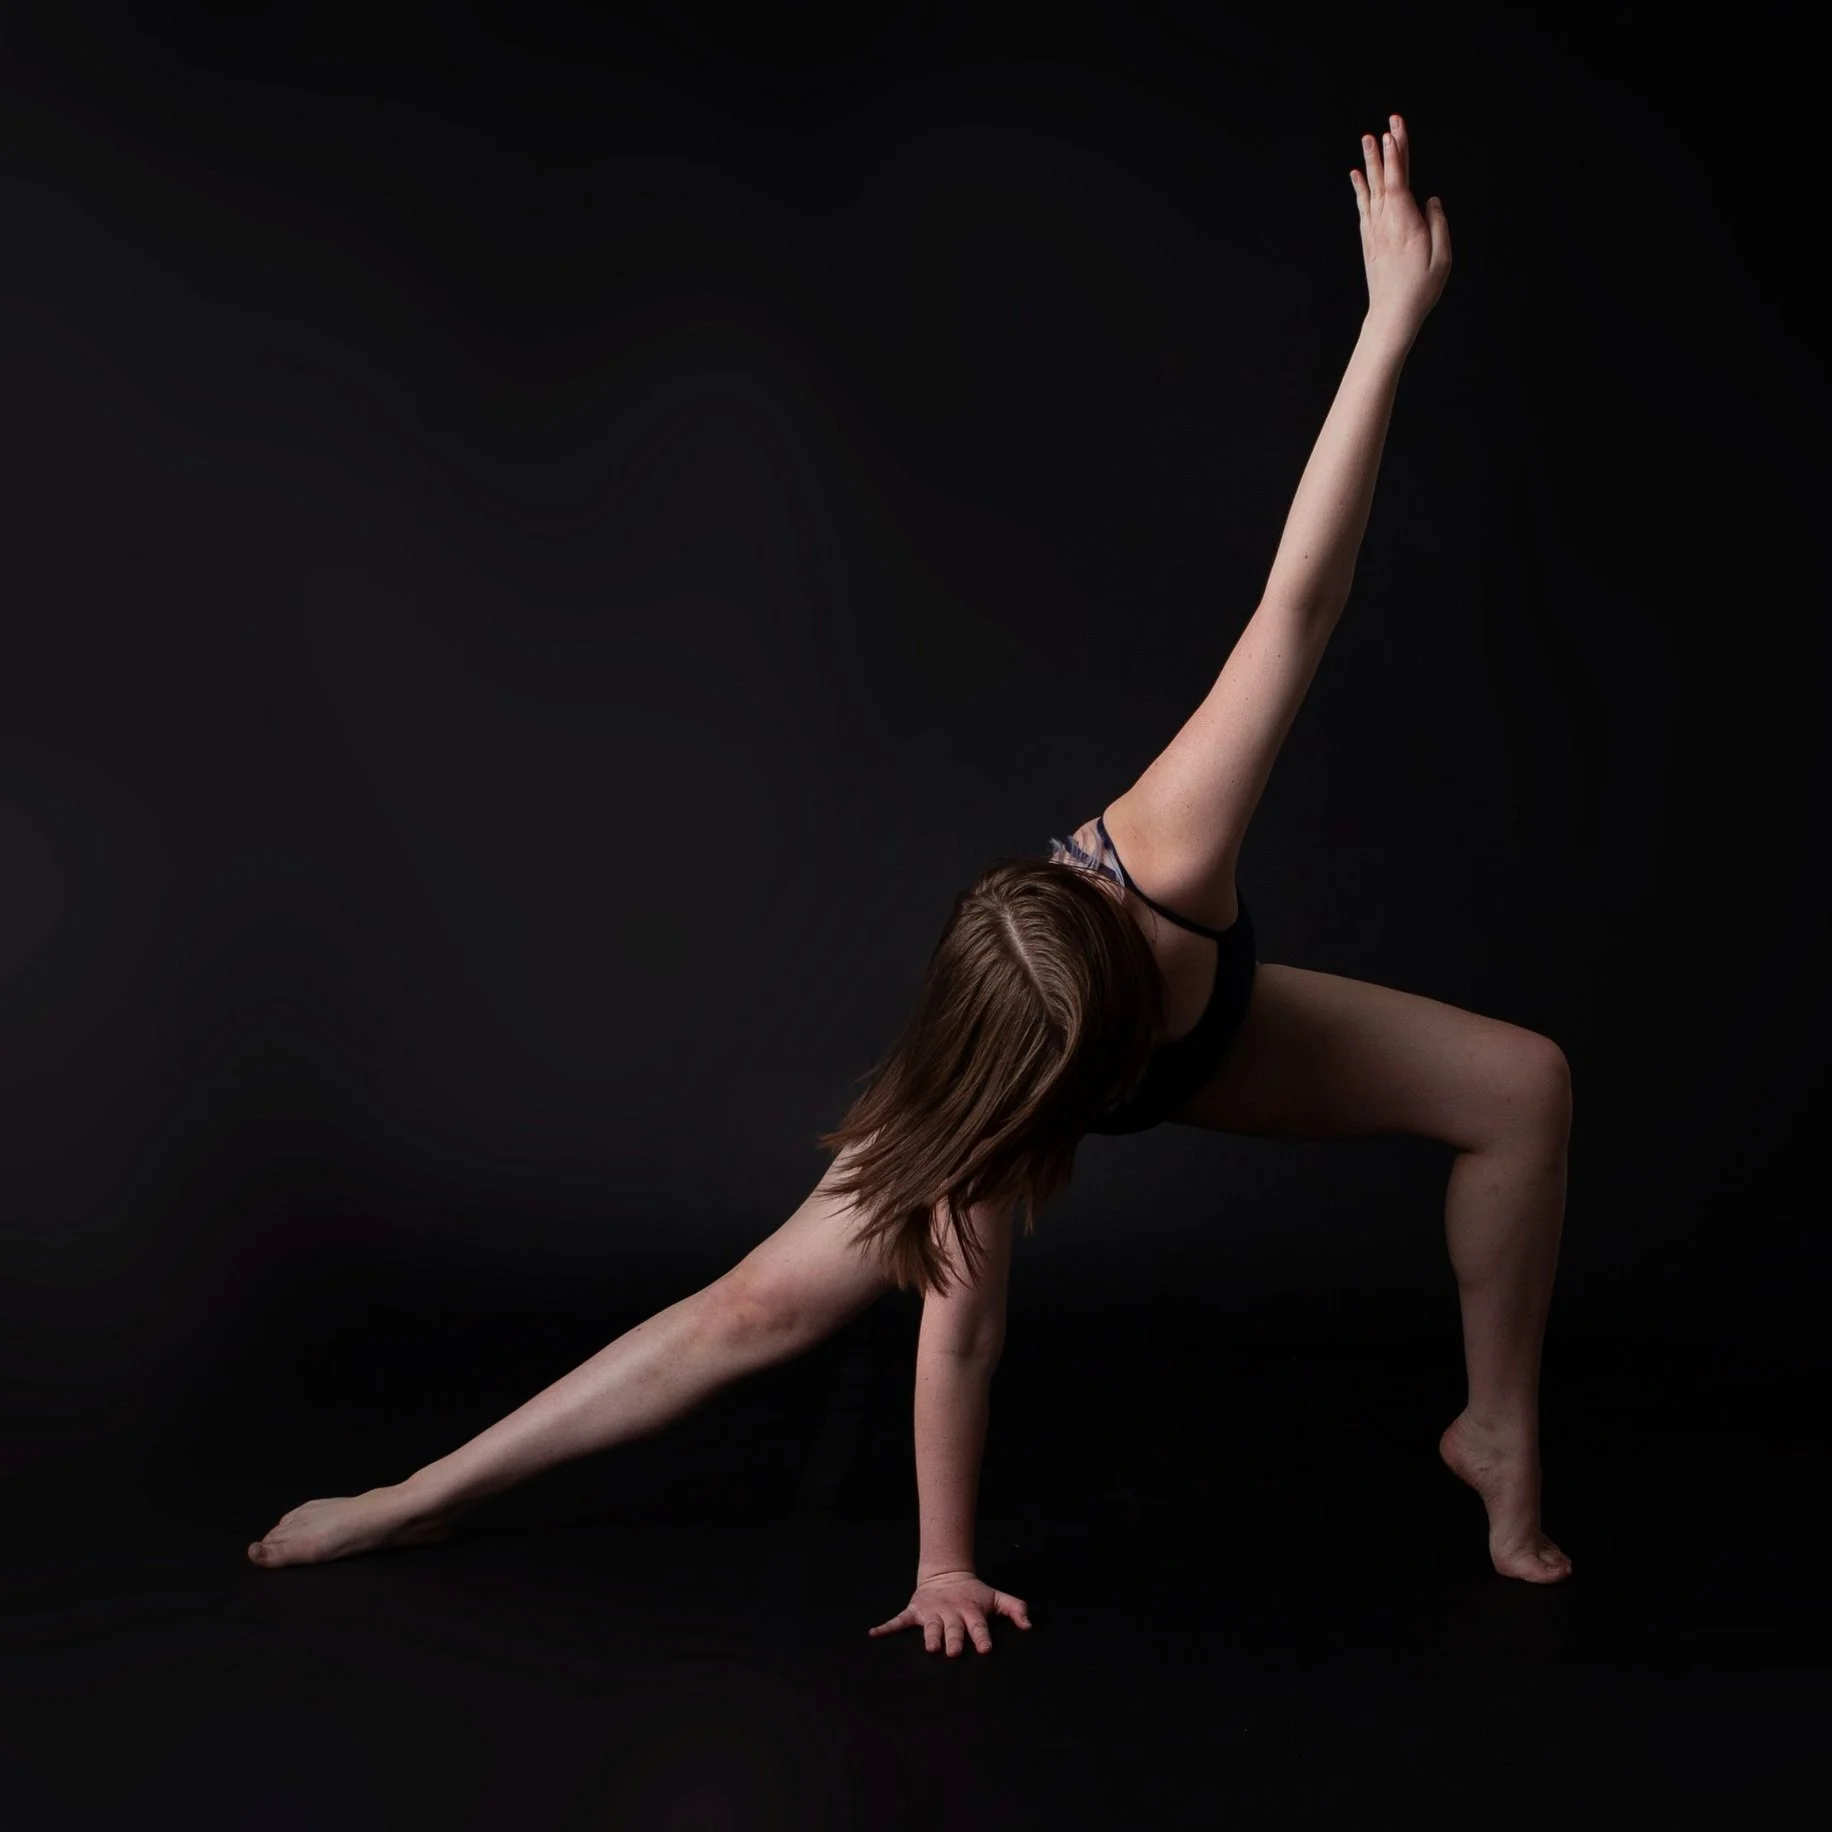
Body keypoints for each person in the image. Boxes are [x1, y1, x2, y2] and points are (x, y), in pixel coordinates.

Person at [248, 115, 1573, 1651]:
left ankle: (1495, 1438)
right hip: (1013, 1077)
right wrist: (944, 1563)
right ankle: (413, 1497)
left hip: (1223, 1032)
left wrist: (1389, 321)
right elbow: (967, 1342)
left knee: (1524, 1088)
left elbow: (1299, 599)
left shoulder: (1173, 847)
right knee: (757, 1308)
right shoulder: (988, 1135)